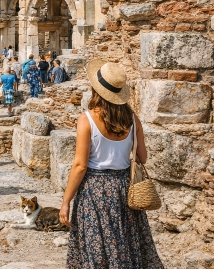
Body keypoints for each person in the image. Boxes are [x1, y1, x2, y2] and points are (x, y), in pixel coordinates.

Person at [60, 60, 163, 269]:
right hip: (125, 188)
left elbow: (80, 165)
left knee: (96, 245)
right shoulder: (133, 119)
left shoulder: (86, 119)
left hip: (94, 191)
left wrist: (66, 201)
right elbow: (142, 158)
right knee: (126, 241)